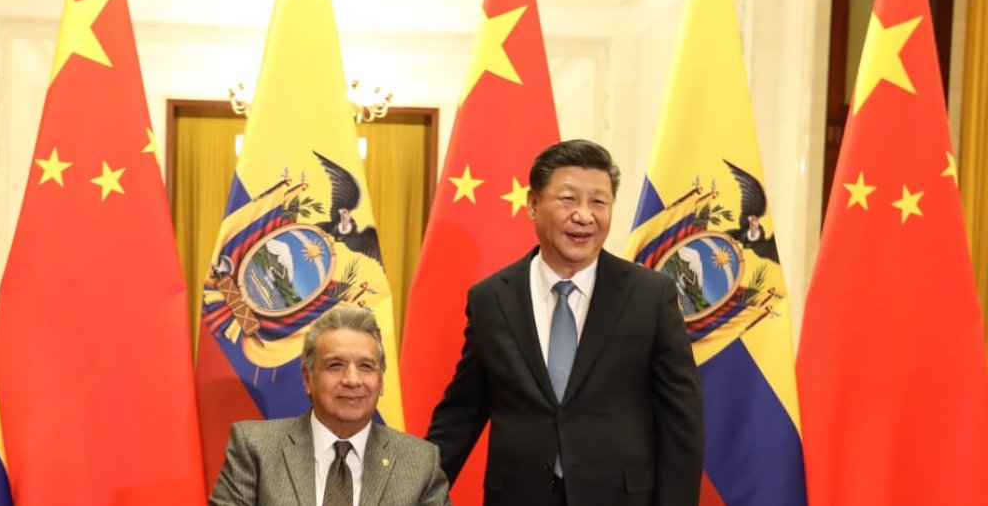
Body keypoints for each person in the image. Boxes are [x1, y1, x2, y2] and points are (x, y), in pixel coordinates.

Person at [426, 139, 704, 506]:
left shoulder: (650, 296)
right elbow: (462, 413)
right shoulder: (491, 299)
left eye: (598, 202)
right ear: (532, 204)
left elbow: (681, 421)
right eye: (568, 199)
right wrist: (410, 489)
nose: (584, 216)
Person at [210, 306, 451, 506]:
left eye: (366, 366)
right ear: (308, 379)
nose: (352, 380)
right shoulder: (255, 448)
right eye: (335, 365)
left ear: (381, 382)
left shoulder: (420, 463)